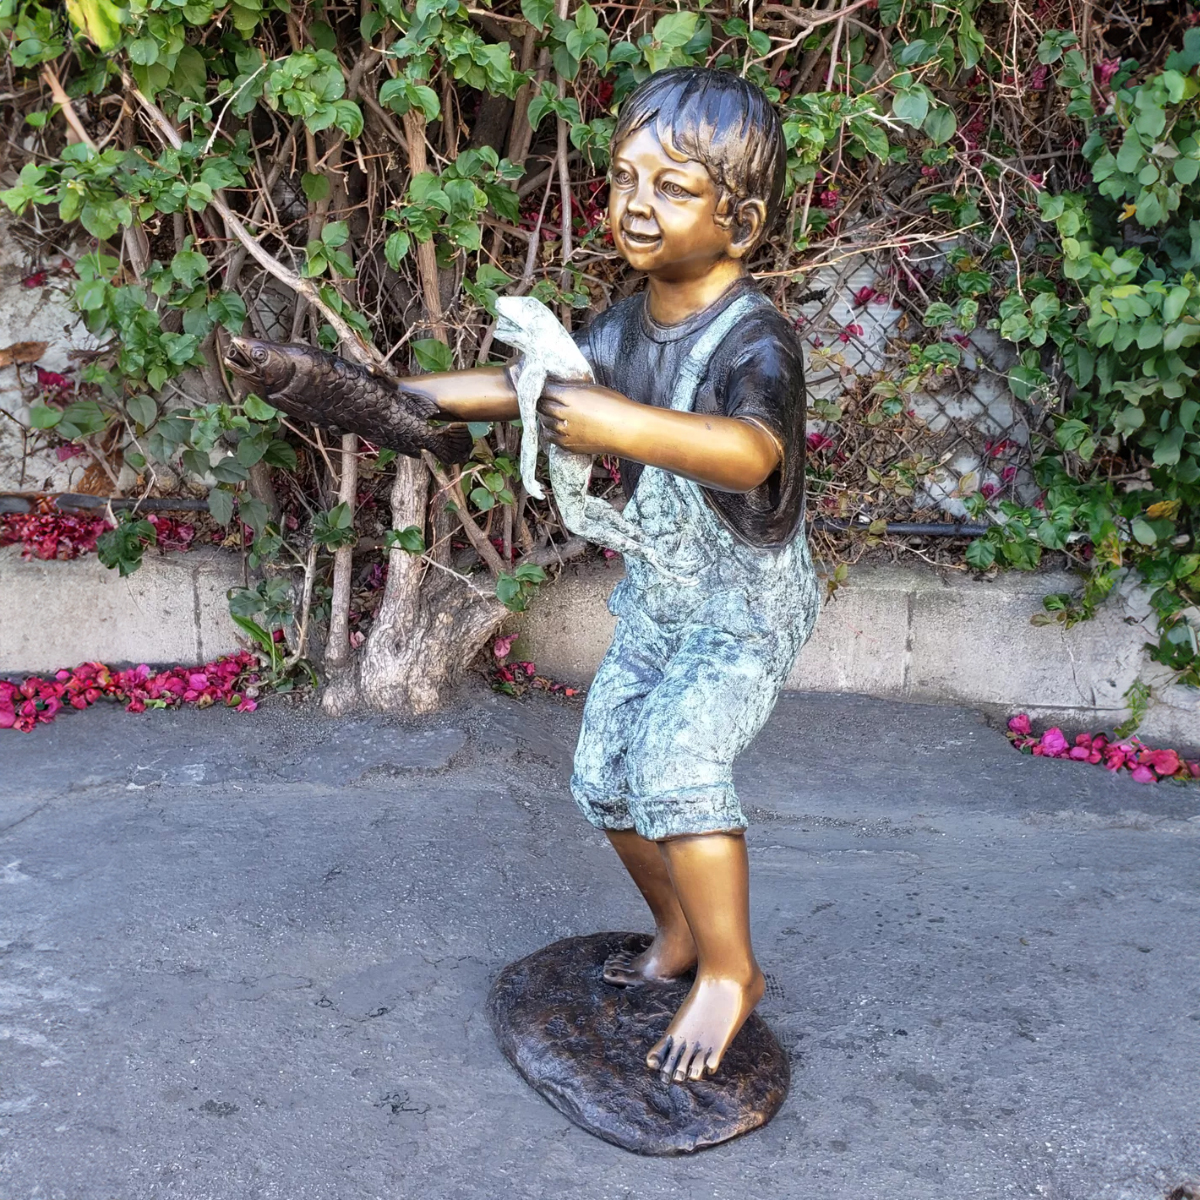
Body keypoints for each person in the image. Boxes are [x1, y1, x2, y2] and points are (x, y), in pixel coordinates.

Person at [386, 67, 819, 1083]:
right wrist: (400, 396)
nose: (634, 202)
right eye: (625, 176)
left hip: (744, 609)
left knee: (677, 766)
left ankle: (732, 973)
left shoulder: (759, 339)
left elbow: (753, 454)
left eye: (671, 187)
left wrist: (620, 422)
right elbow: (531, 383)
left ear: (740, 220)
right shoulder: (629, 325)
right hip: (666, 598)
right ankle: (677, 933)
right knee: (606, 777)